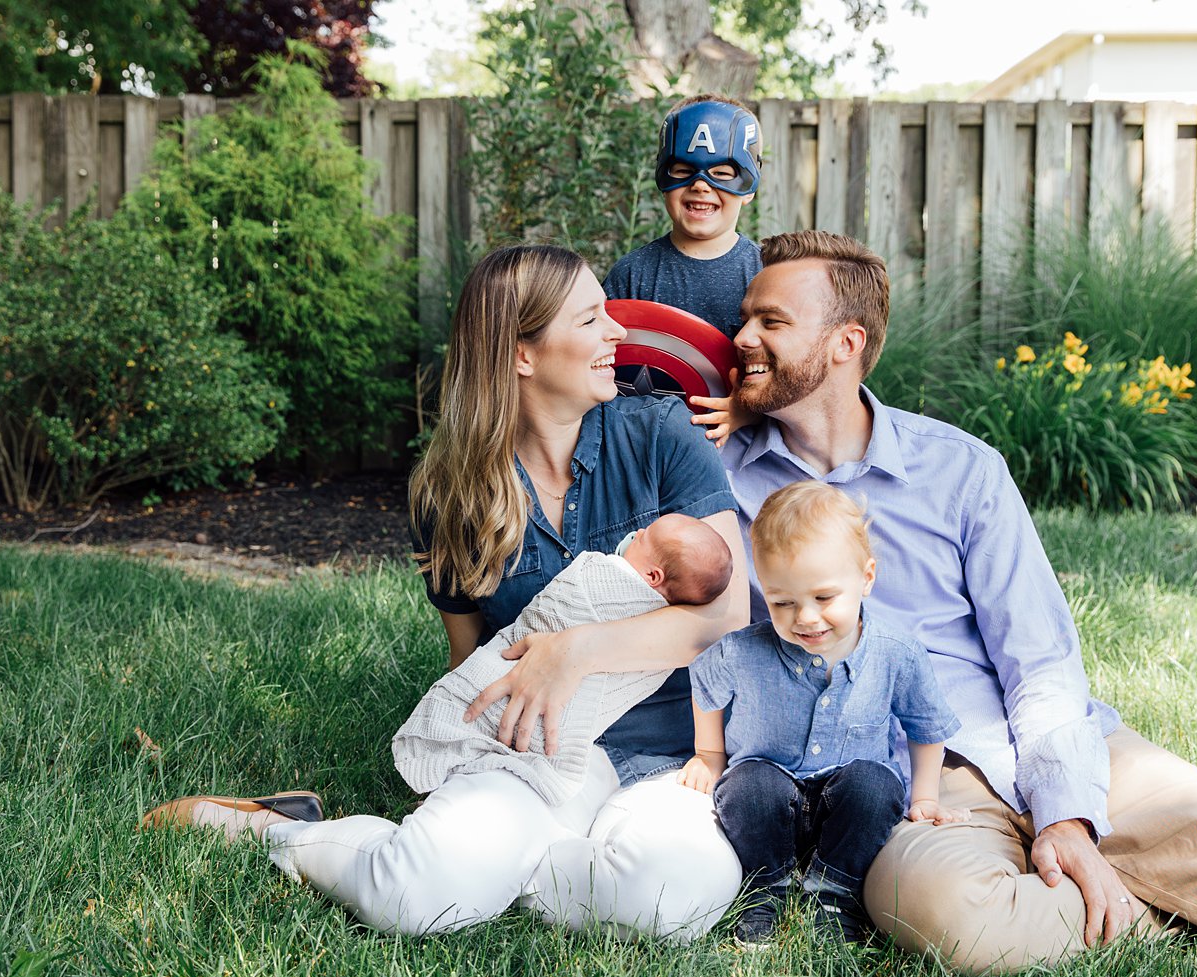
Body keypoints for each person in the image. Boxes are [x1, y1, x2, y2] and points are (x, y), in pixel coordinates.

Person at [715, 229, 1197, 977]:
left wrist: (1066, 813)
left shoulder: (958, 469)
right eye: (747, 317)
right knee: (947, 916)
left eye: (770, 322)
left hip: (1048, 741)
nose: (742, 336)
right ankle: (1165, 909)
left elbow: (1039, 657)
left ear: (846, 342)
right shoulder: (721, 480)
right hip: (908, 785)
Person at [142, 244, 750, 940]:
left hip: (669, 758)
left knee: (675, 899)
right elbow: (469, 659)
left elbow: (727, 611)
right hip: (531, 752)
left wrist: (575, 652)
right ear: (522, 354)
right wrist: (468, 778)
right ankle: (282, 833)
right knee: (416, 899)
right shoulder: (452, 493)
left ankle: (500, 869)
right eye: (590, 320)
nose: (617, 331)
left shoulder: (662, 433)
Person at [677, 480, 962, 946]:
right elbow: (705, 685)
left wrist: (925, 796)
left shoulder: (896, 654)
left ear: (866, 578)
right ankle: (767, 887)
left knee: (875, 785)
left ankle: (835, 890)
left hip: (848, 798)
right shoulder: (744, 651)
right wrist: (709, 754)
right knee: (748, 787)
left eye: (824, 598)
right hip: (769, 788)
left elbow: (926, 726)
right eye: (782, 602)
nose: (805, 618)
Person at [393, 513, 732, 806]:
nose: (639, 532)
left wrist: (579, 647)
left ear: (653, 577)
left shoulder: (609, 578)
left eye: (646, 537)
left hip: (646, 754)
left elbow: (576, 603)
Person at [602, 95, 763, 339]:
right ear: (663, 177)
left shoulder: (766, 274)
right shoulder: (631, 275)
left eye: (720, 173)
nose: (700, 185)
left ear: (748, 187)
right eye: (684, 171)